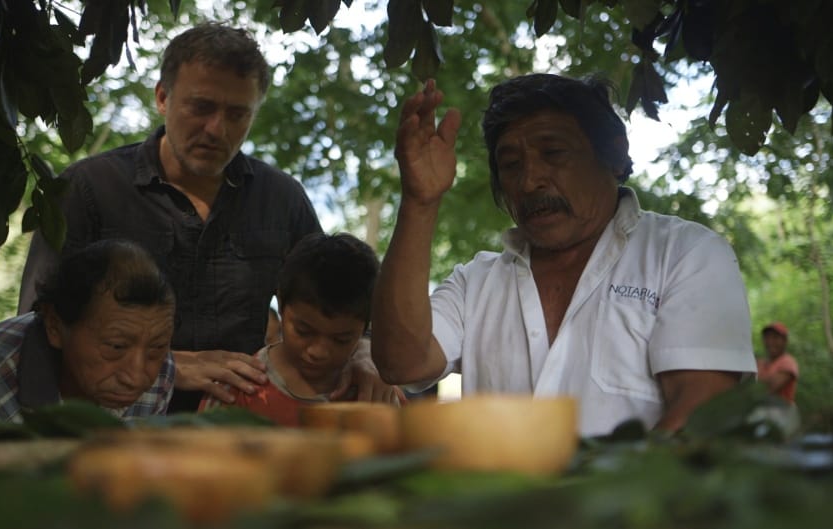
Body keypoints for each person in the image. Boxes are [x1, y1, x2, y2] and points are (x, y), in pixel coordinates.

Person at [17, 22, 396, 413]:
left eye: (237, 114)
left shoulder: (282, 200)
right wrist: (165, 365)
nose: (217, 129)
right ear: (163, 98)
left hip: (236, 429)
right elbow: (34, 326)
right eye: (201, 107)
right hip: (113, 424)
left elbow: (341, 296)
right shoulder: (89, 189)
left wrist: (364, 350)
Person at [371, 74, 757, 436]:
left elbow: (700, 420)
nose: (530, 180)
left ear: (616, 157)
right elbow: (401, 362)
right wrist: (420, 201)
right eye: (510, 165)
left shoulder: (685, 254)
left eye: (554, 153)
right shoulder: (475, 283)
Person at [0, 239, 176, 424]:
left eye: (156, 348)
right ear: (54, 325)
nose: (137, 376)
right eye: (116, 347)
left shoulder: (160, 367)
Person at [200, 233, 390, 426]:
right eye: (303, 331)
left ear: (366, 327)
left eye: (341, 340)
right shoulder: (236, 389)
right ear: (281, 302)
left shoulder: (376, 395)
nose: (318, 352)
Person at [756, 322, 798, 403]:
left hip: (781, 412)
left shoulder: (788, 362)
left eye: (775, 338)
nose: (770, 342)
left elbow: (768, 388)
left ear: (785, 341)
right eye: (767, 338)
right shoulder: (761, 363)